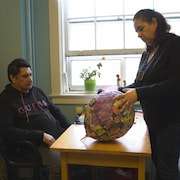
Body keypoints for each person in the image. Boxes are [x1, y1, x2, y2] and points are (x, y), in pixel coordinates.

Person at [116, 9, 180, 180]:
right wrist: (117, 92)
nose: (139, 34)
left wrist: (138, 93)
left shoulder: (175, 44)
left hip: (170, 121)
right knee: (158, 163)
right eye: (137, 30)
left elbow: (175, 84)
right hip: (153, 120)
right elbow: (140, 83)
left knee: (167, 168)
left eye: (141, 28)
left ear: (155, 23)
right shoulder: (147, 53)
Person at [0, 58, 71, 179]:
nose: (30, 79)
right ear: (13, 78)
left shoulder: (37, 91)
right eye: (25, 76)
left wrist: (70, 129)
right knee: (68, 163)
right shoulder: (5, 100)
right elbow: (7, 131)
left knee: (84, 155)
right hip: (34, 147)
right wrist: (41, 135)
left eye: (31, 75)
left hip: (58, 139)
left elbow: (56, 112)